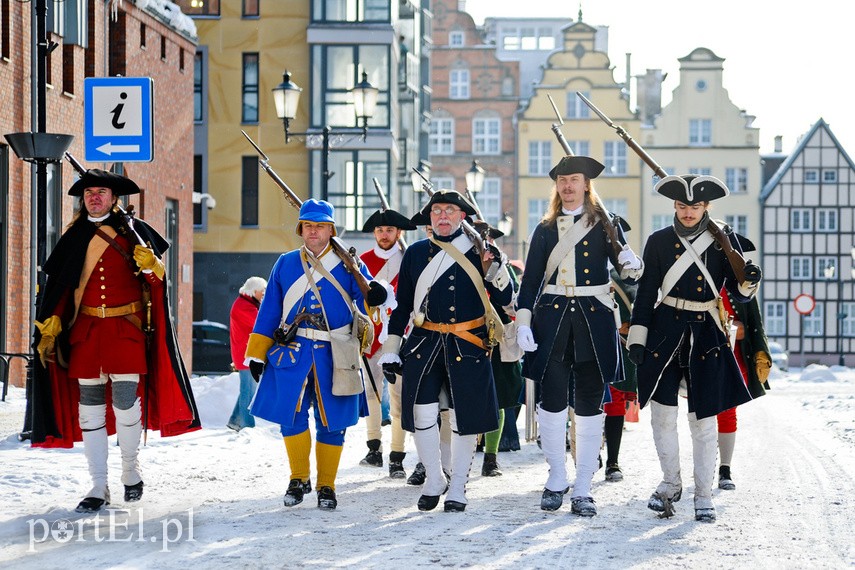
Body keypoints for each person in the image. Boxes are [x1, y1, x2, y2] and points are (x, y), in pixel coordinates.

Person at [31, 169, 200, 513]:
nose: (95, 197)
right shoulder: (73, 237)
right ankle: (97, 484)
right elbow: (63, 288)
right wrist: (51, 323)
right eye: (89, 192)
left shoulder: (133, 233)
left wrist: (153, 266)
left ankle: (130, 469)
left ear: (114, 198)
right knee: (89, 411)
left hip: (127, 331)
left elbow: (155, 286)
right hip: (86, 333)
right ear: (83, 199)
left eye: (101, 192)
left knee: (126, 402)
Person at [627, 174, 762, 522]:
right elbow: (646, 294)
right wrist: (638, 337)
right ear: (674, 205)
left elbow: (739, 290)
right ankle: (670, 484)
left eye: (696, 206)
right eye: (683, 206)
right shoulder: (658, 242)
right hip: (664, 333)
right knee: (662, 415)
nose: (688, 212)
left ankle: (704, 495)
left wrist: (749, 278)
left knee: (704, 420)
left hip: (707, 334)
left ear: (706, 207)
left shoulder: (722, 241)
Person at [515, 155, 643, 516]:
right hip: (552, 322)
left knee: (589, 406)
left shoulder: (606, 224)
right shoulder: (544, 229)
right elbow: (530, 283)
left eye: (574, 180)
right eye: (562, 180)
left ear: (586, 185)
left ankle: (584, 486)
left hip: (594, 322)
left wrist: (633, 262)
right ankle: (557, 477)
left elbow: (628, 270)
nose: (568, 186)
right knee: (552, 404)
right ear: (556, 187)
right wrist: (523, 322)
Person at [244, 199, 390, 511]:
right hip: (292, 353)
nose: (314, 231)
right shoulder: (285, 263)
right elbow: (270, 310)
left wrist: (374, 295)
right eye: (308, 225)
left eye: (320, 225)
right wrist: (257, 353)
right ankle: (298, 478)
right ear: (301, 229)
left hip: (335, 353)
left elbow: (369, 303)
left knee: (333, 422)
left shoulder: (349, 263)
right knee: (291, 417)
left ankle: (327, 485)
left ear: (330, 230)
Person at [378, 189, 513, 512]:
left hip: (468, 342)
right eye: (436, 210)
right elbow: (402, 307)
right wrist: (392, 346)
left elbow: (506, 296)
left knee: (462, 416)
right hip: (425, 343)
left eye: (449, 210)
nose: (442, 216)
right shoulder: (415, 253)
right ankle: (434, 479)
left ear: (461, 216)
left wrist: (496, 265)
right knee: (422, 412)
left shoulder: (482, 251)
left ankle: (457, 486)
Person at [357, 207, 416, 477]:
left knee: (399, 398)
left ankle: (397, 454)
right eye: (380, 230)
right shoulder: (363, 262)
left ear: (398, 233)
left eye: (389, 230)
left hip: (399, 336)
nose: (384, 234)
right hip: (370, 335)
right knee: (370, 393)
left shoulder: (409, 259)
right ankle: (373, 447)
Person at [717, 239, 772, 490]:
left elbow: (753, 324)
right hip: (697, 353)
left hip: (732, 355)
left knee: (728, 412)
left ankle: (725, 468)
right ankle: (705, 466)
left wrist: (741, 332)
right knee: (700, 414)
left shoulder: (742, 283)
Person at [603, 270, 639, 482]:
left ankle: (612, 461)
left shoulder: (630, 276)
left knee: (615, 405)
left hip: (621, 348)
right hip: (592, 342)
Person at [226, 276, 267, 432]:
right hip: (245, 356)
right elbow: (259, 323)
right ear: (254, 291)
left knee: (247, 390)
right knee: (248, 392)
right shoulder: (244, 306)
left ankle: (235, 421)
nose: (263, 294)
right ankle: (247, 425)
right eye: (262, 291)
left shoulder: (247, 303)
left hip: (247, 354)